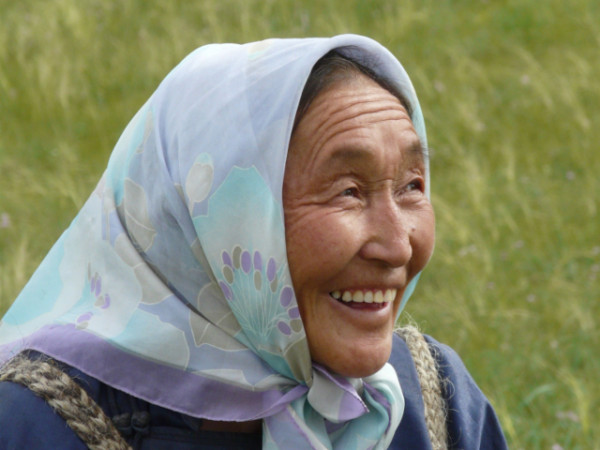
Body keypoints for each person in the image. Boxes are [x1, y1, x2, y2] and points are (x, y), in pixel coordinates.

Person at [0, 35, 507, 449]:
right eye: (349, 192)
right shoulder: (39, 428)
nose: (398, 248)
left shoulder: (435, 405)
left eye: (411, 185)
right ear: (221, 221)